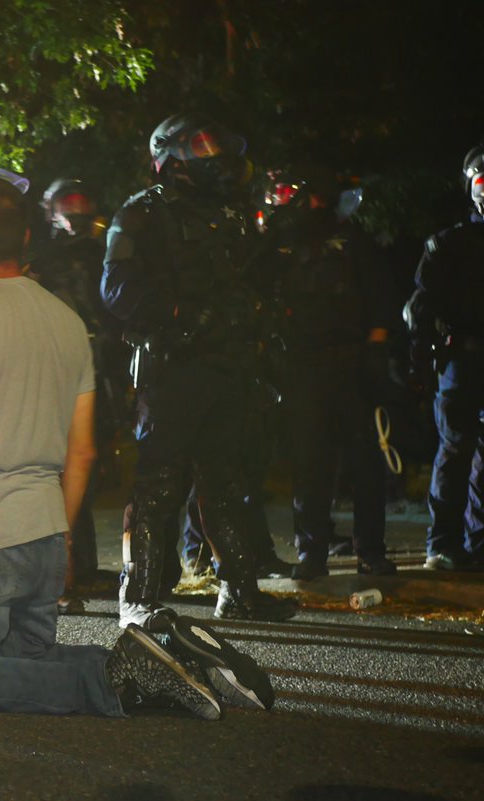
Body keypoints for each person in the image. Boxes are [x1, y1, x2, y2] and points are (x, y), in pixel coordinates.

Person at [0, 177, 270, 718]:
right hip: (44, 530)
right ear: (28, 236)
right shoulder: (67, 321)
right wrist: (63, 538)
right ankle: (161, 654)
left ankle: (115, 683)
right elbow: (81, 453)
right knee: (26, 660)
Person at [101, 113, 298, 628]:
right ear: (172, 156)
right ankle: (138, 596)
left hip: (229, 366)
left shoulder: (233, 213)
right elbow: (114, 288)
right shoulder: (142, 212)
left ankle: (238, 592)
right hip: (173, 368)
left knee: (227, 483)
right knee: (160, 485)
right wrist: (178, 312)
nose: (214, 156)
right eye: (202, 147)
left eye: (216, 145)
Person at [260, 168, 398, 579]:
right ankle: (312, 554)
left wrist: (374, 354)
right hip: (302, 367)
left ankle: (370, 551)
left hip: (352, 364)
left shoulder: (354, 243)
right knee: (310, 466)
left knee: (366, 465)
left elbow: (380, 301)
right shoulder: (281, 247)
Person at [28, 178, 125, 609]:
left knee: (89, 470)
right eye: (70, 205)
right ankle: (63, 570)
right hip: (56, 376)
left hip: (97, 373)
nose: (78, 212)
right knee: (60, 471)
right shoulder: (41, 259)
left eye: (83, 204)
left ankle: (79, 565)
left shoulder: (103, 253)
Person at [404, 143, 484, 570]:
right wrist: (418, 362)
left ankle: (474, 545)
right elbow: (420, 308)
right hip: (461, 362)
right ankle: (443, 545)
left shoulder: (447, 243)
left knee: (467, 454)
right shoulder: (447, 244)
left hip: (462, 363)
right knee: (455, 450)